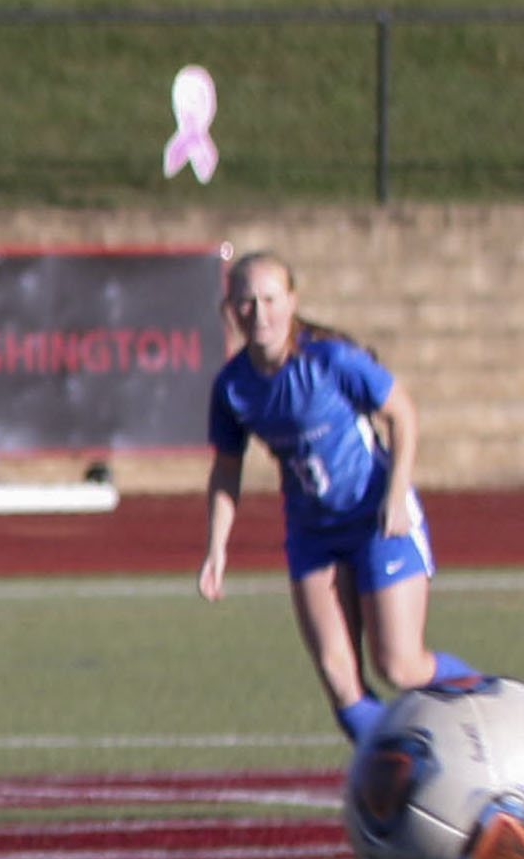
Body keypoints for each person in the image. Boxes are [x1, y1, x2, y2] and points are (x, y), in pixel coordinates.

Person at [197, 250, 473, 745]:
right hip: (312, 533)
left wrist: (395, 494)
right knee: (340, 679)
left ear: (292, 301)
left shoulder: (330, 360)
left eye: (269, 299)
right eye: (245, 302)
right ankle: (402, 774)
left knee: (401, 666)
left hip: (375, 520)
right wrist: (217, 547)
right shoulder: (233, 387)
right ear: (229, 310)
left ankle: (491, 700)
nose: (259, 314)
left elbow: (403, 415)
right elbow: (226, 470)